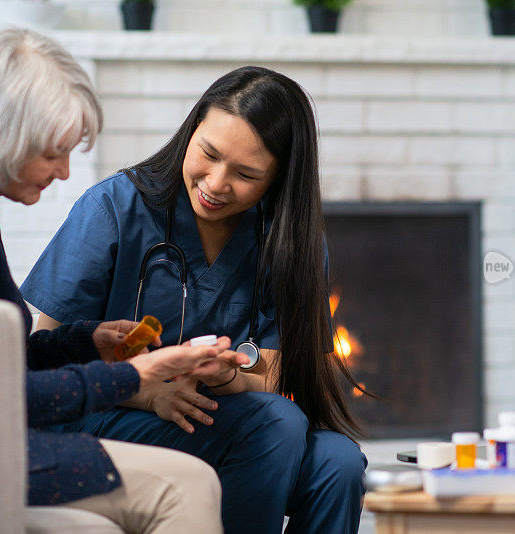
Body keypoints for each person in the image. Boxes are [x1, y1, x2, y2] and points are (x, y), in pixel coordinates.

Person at [0, 28, 251, 533]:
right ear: (0, 134)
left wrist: (83, 340)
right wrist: (139, 375)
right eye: (52, 153)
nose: (66, 172)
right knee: (187, 484)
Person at [20, 66, 369, 534]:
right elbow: (45, 354)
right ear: (190, 132)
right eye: (208, 154)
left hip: (221, 414)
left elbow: (283, 368)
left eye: (246, 174)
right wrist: (146, 391)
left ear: (278, 180)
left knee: (339, 462)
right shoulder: (113, 209)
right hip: (104, 415)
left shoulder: (291, 241)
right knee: (276, 423)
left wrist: (229, 377)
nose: (217, 183)